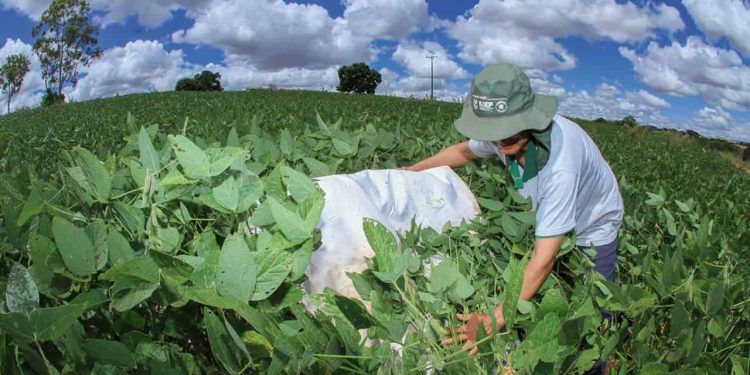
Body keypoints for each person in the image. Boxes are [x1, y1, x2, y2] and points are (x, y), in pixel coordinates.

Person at [402, 63, 624, 359]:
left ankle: (595, 362)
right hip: (546, 216)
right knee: (545, 296)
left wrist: (494, 318)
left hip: (592, 226)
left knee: (593, 314)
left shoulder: (561, 164)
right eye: (494, 132)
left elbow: (543, 259)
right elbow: (462, 152)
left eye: (506, 132)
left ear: (527, 117)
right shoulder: (503, 134)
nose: (499, 139)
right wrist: (409, 171)